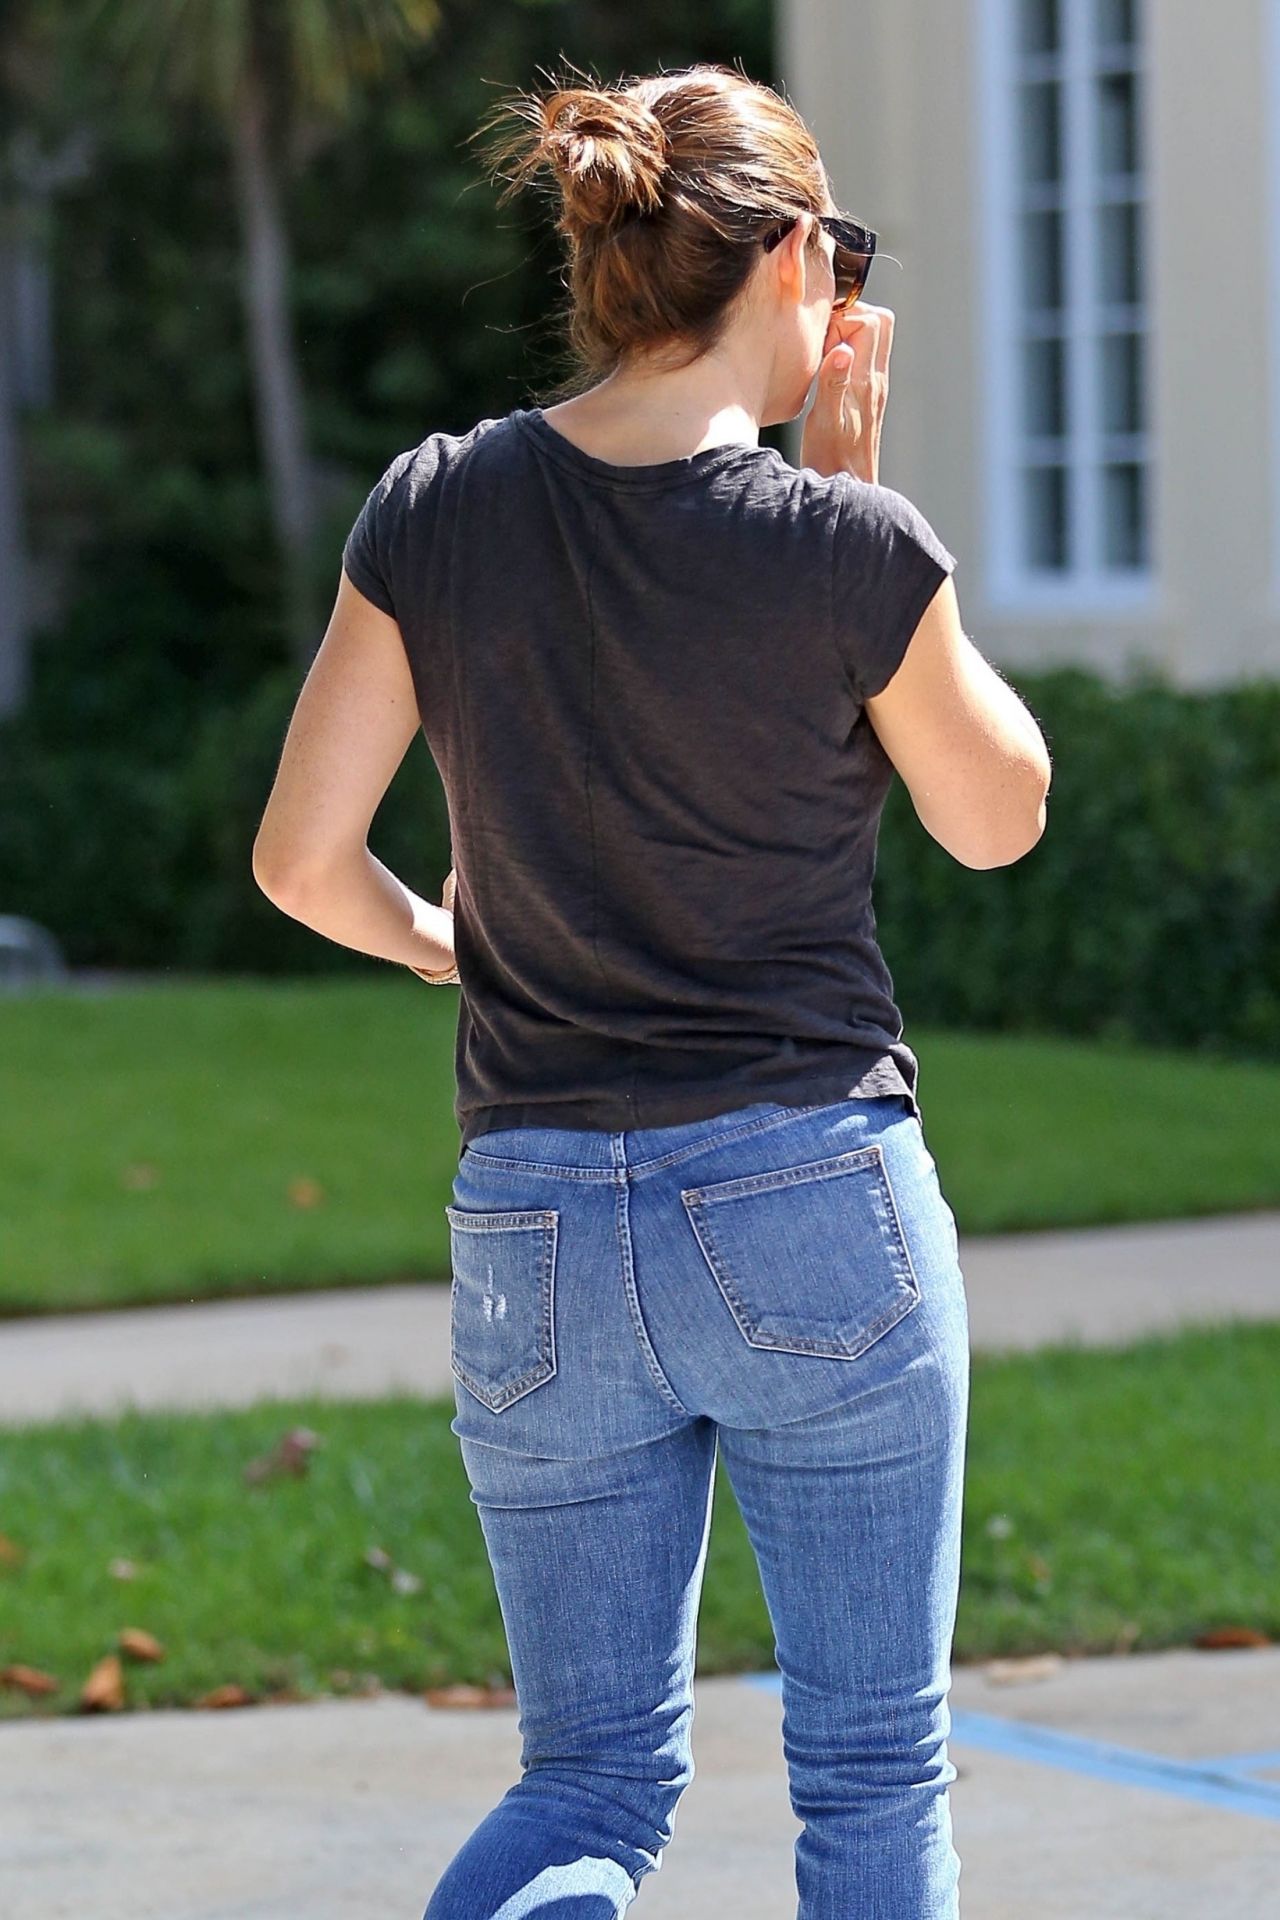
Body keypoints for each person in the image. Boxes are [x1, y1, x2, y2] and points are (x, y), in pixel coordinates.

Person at [252, 60, 1051, 1920]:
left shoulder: (436, 507)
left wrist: (454, 939)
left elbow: (302, 862)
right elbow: (998, 813)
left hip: (533, 1228)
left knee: (589, 1785)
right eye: (839, 250)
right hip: (812, 1205)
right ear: (782, 265)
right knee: (871, 1775)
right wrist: (866, 520)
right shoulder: (841, 544)